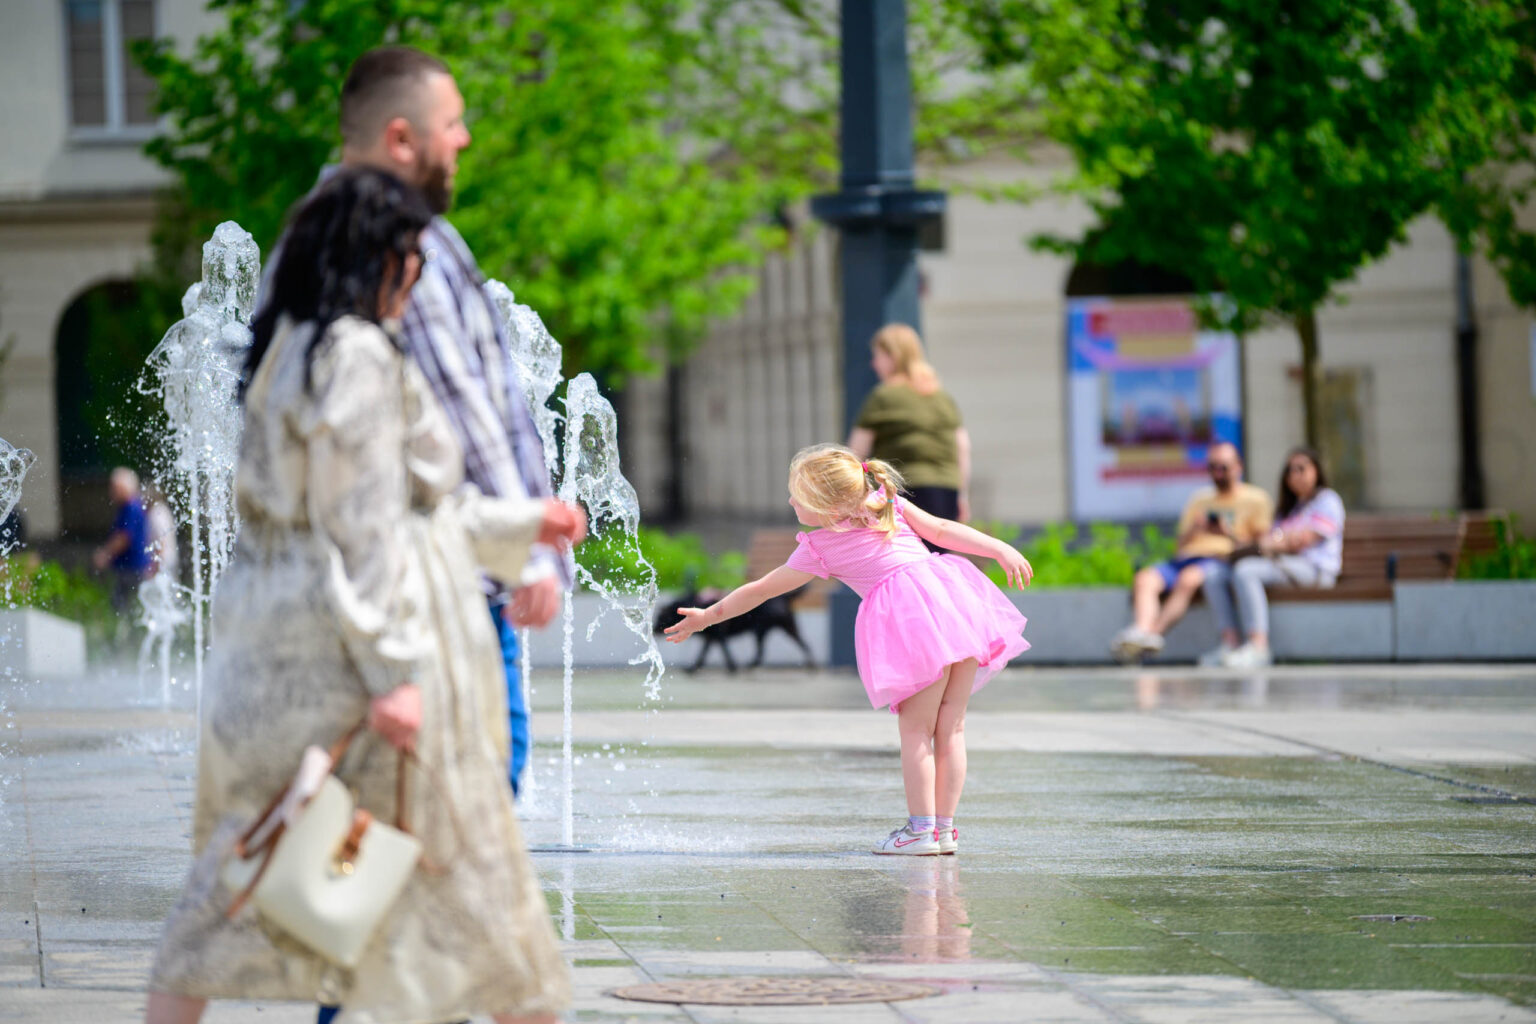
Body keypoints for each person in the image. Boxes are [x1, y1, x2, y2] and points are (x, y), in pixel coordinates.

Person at [144, 168, 584, 1024]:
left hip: (280, 653)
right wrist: (394, 672)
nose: (417, 276)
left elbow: (398, 509)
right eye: (409, 256)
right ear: (376, 259)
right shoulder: (356, 357)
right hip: (355, 657)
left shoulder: (292, 348)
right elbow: (365, 524)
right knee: (483, 889)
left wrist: (528, 521)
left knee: (242, 878)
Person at [261, 46, 564, 803]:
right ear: (402, 138)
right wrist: (522, 549)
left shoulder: (312, 238)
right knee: (464, 817)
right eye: (452, 123)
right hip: (426, 597)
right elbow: (454, 424)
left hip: (393, 594)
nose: (463, 139)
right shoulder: (388, 245)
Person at [665, 444, 1032, 856]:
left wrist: (709, 616)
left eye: (796, 495)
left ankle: (919, 831)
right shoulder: (887, 504)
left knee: (916, 730)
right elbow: (943, 531)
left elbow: (762, 589)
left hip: (913, 624)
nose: (789, 501)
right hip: (956, 606)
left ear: (826, 506)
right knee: (952, 728)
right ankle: (943, 829)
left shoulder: (820, 547)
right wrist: (999, 548)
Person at [1110, 442, 1271, 662]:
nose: (1217, 473)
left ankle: (1153, 634)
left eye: (1223, 467)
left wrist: (1227, 533)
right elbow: (1179, 546)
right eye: (1212, 467)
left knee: (1188, 579)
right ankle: (1141, 630)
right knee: (1145, 578)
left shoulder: (1256, 499)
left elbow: (1263, 545)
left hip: (1220, 559)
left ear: (1238, 466)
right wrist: (1196, 529)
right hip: (1187, 557)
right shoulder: (1200, 499)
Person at [1201, 446, 1345, 668]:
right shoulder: (1290, 509)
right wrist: (1228, 534)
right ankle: (1229, 643)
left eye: (1302, 468)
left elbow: (1302, 540)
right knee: (1214, 574)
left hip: (1313, 569)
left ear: (1316, 470)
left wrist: (1275, 542)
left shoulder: (1327, 500)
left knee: (1246, 570)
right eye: (1290, 470)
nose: (1295, 475)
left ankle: (1259, 646)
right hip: (1283, 565)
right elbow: (1268, 542)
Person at [847, 324, 972, 538]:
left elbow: (856, 451)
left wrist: (849, 495)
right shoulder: (941, 397)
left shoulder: (884, 396)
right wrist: (962, 494)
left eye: (878, 356)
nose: (873, 363)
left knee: (904, 557)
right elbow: (962, 446)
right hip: (946, 489)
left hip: (904, 491)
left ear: (892, 356)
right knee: (936, 558)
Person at [93, 467, 153, 615]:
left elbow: (124, 537)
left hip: (131, 568)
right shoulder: (131, 506)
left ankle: (127, 636)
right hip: (131, 568)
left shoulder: (131, 507)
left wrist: (105, 554)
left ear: (124, 487)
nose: (111, 491)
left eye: (114, 487)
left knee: (124, 608)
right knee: (127, 607)